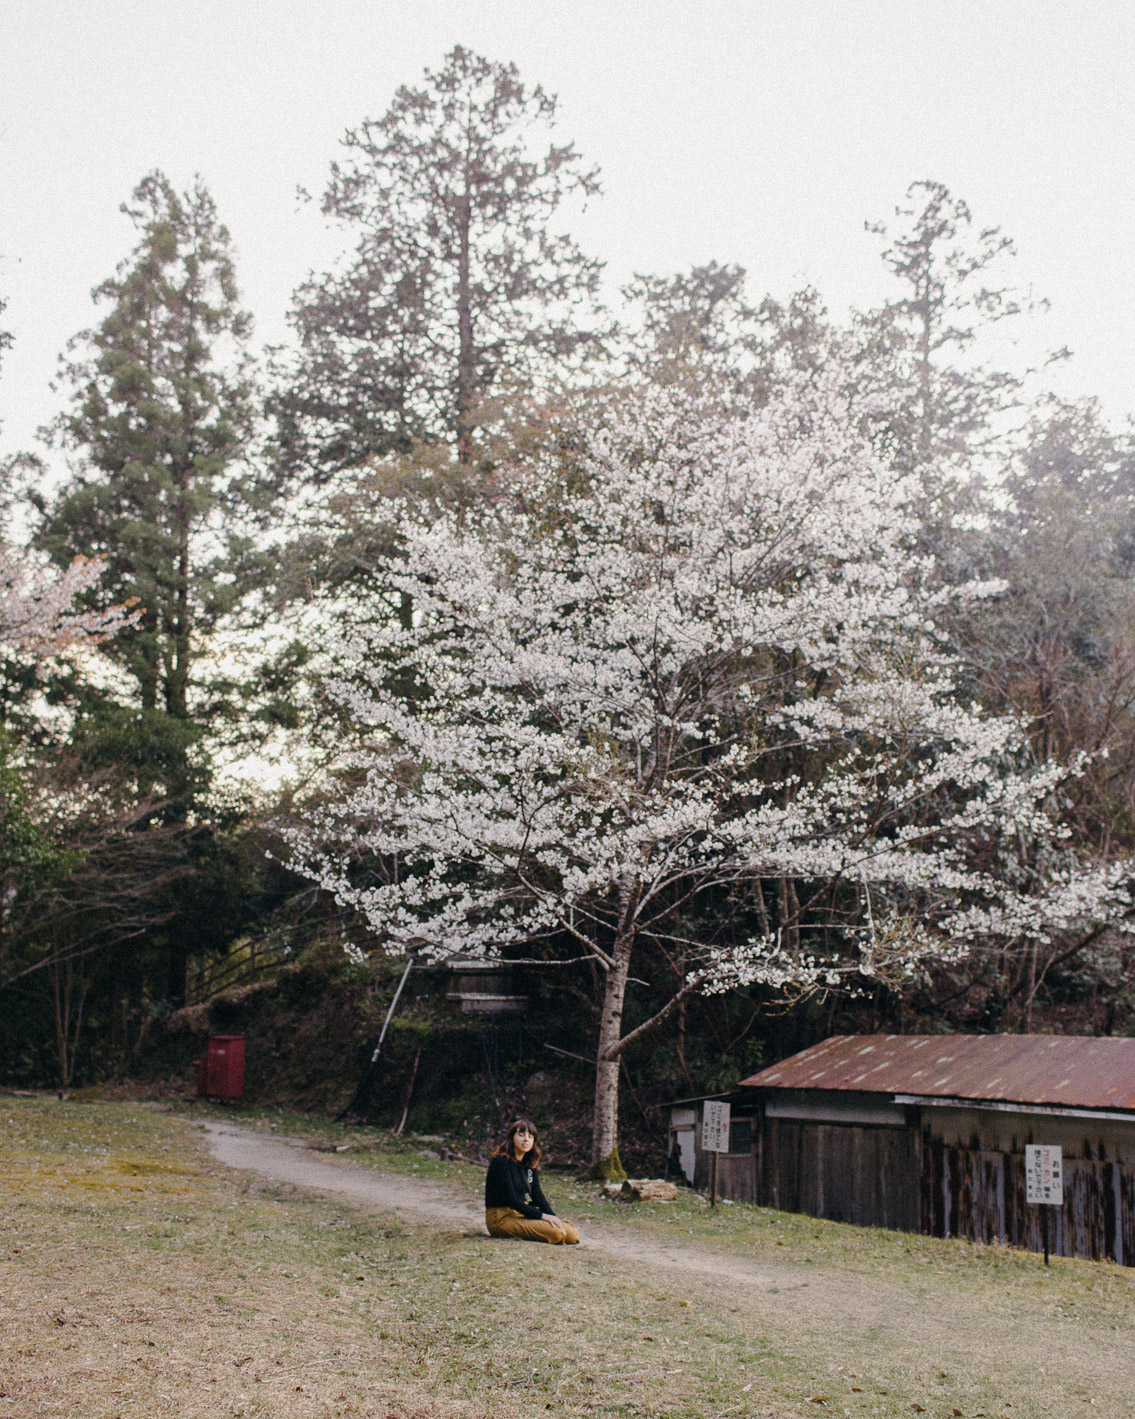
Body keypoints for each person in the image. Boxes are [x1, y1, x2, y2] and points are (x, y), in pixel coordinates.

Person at [484, 1118, 580, 1244]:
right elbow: (512, 1200)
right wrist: (541, 1216)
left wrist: (552, 1217)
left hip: (521, 1213)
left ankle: (556, 1227)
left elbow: (537, 1195)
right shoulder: (501, 1162)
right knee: (556, 1233)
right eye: (521, 1135)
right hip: (501, 1219)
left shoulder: (529, 1163)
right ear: (511, 1138)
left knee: (571, 1234)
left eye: (530, 1136)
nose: (526, 1139)